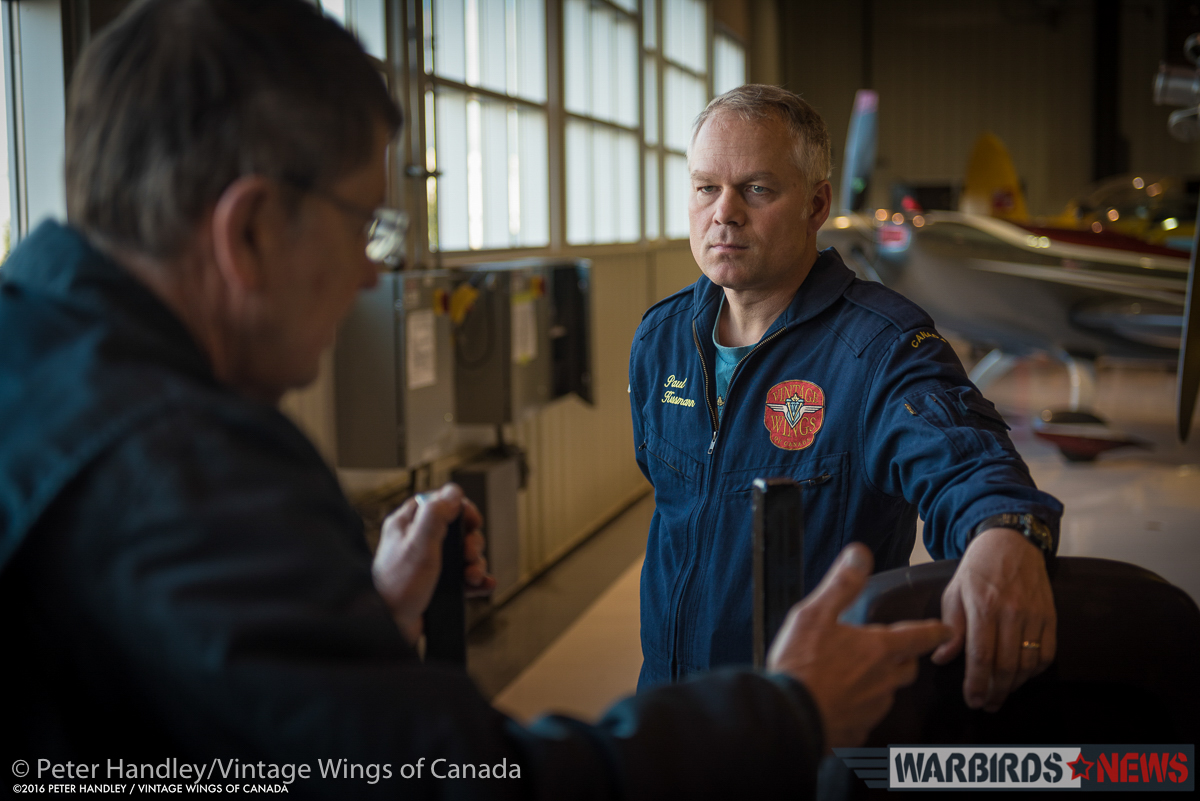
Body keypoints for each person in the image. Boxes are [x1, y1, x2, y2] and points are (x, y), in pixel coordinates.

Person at [0, 2, 952, 798]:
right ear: (248, 231)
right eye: (364, 227)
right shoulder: (188, 465)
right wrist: (787, 707)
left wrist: (348, 626)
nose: (374, 282)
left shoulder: (34, 360)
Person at [628, 84, 1064, 712]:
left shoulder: (880, 349)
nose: (724, 213)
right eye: (705, 188)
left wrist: (1004, 532)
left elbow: (963, 457)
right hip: (671, 713)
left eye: (757, 189)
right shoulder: (660, 339)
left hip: (812, 724)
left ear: (817, 204)